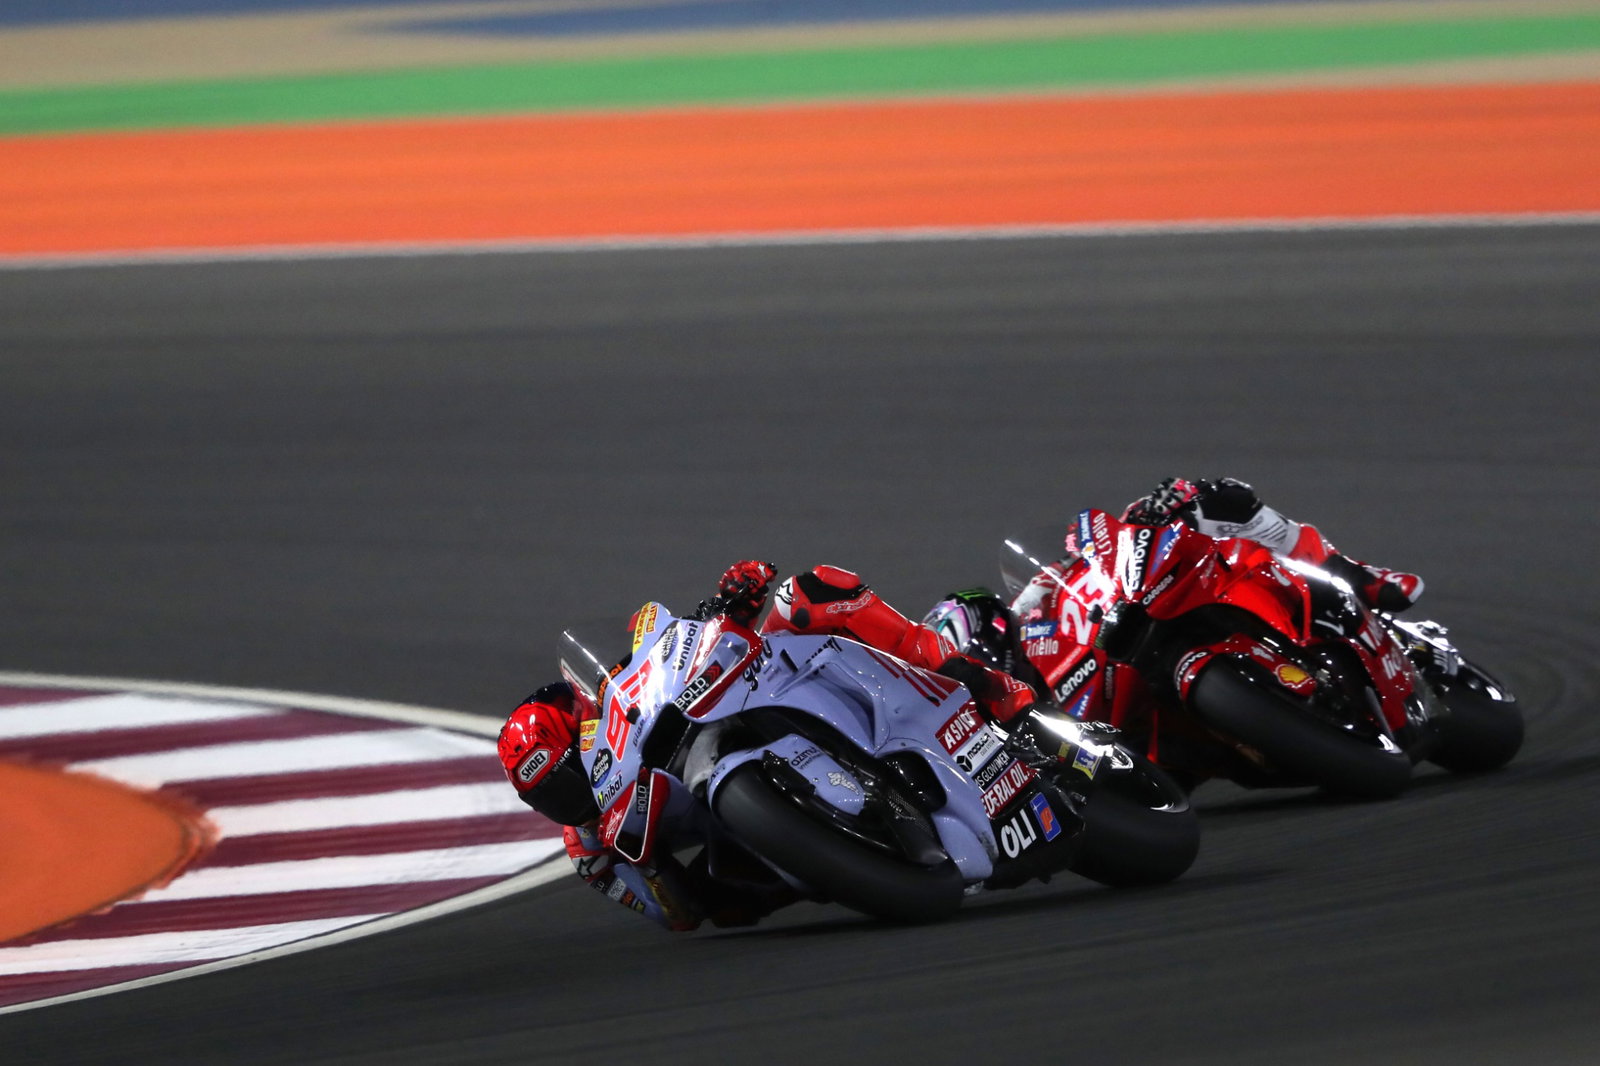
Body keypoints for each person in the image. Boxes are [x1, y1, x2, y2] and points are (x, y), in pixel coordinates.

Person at [497, 560, 1043, 931]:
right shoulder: (587, 848)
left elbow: (681, 649)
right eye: (548, 798)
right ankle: (847, 848)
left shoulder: (619, 695)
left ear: (579, 726)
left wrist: (731, 600)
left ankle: (982, 683)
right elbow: (677, 916)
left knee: (812, 592)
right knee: (728, 908)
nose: (566, 802)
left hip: (748, 701)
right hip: (754, 849)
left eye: (565, 778)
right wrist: (655, 872)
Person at [1118, 476, 1422, 612]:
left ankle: (1356, 578)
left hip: (1216, 581)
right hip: (1153, 626)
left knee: (1217, 500)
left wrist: (1179, 499)